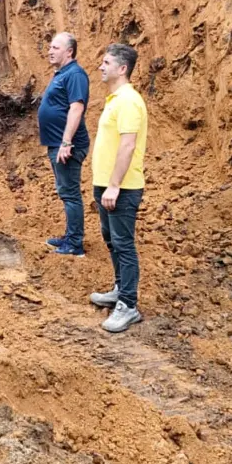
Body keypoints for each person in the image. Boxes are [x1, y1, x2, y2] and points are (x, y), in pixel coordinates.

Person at [89, 43, 148, 333]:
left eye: (106, 62)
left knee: (123, 244)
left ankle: (128, 305)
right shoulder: (116, 99)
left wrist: (114, 186)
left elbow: (128, 145)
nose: (101, 67)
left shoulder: (128, 101)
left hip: (121, 188)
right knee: (112, 241)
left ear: (122, 68)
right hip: (106, 186)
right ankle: (120, 289)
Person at [37, 32, 90, 257]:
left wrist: (66, 142)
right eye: (50, 47)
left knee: (70, 193)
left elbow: (76, 108)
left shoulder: (75, 74)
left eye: (56, 48)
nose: (50, 51)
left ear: (69, 52)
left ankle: (75, 244)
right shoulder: (63, 73)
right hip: (59, 144)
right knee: (66, 192)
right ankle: (70, 236)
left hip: (68, 145)